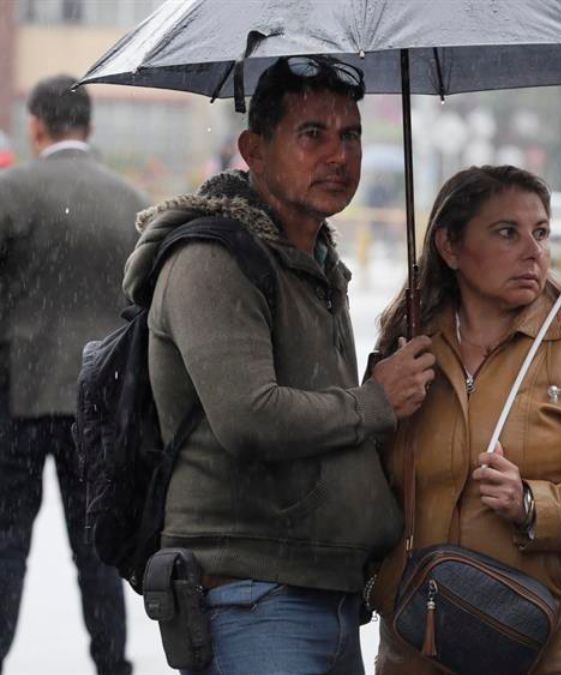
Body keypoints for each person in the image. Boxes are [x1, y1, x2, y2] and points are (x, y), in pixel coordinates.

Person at [121, 56, 434, 674]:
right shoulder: (214, 259)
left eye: (351, 135)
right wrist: (374, 402)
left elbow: (320, 405)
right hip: (253, 595)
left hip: (326, 591)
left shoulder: (314, 258)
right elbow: (248, 417)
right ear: (254, 151)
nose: (339, 156)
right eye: (312, 134)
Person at [370, 166, 561, 674]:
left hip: (556, 646)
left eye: (541, 232)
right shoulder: (409, 347)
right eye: (507, 233)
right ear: (450, 247)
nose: (533, 251)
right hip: (424, 643)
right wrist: (375, 402)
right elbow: (373, 492)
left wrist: (533, 504)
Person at [0, 74, 145, 675]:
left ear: (36, 124)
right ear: (88, 124)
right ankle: (112, 663)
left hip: (18, 400)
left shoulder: (13, 192)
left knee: (7, 549)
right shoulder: (128, 201)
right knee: (96, 553)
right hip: (99, 408)